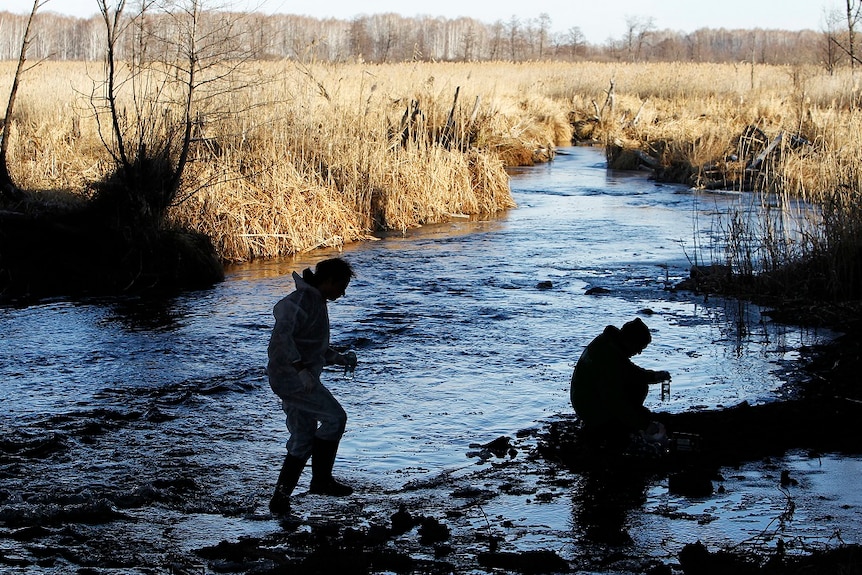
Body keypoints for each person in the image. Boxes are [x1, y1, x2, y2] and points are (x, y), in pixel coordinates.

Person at [266, 257, 358, 514]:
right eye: (341, 286)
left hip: (297, 378)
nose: (343, 292)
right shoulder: (299, 302)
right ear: (327, 281)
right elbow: (281, 340)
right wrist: (300, 371)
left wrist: (336, 358)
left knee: (303, 438)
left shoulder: (315, 301)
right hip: (291, 379)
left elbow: (309, 344)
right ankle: (321, 480)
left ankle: (279, 500)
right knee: (335, 419)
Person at [570, 317, 670, 448]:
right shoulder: (609, 359)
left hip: (585, 396)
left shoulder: (607, 343)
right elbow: (616, 402)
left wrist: (653, 376)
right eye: (639, 347)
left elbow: (628, 371)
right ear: (631, 342)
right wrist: (645, 425)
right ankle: (608, 426)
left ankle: (621, 421)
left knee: (638, 383)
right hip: (589, 407)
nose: (639, 352)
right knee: (637, 388)